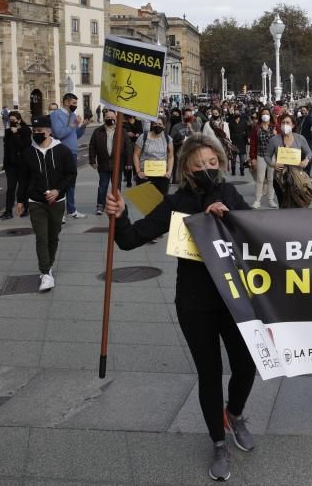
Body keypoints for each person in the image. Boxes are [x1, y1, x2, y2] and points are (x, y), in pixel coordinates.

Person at [104, 135, 257, 481]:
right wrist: (121, 215)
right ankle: (218, 443)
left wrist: (229, 218)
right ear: (186, 166)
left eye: (213, 162)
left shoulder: (229, 193)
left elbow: (256, 231)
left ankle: (234, 413)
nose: (207, 168)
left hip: (234, 298)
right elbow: (129, 241)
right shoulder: (175, 203)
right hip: (194, 301)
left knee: (246, 366)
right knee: (209, 373)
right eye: (199, 164)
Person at [16, 115, 76, 292]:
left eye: (40, 131)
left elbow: (71, 175)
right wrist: (20, 200)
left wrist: (58, 191)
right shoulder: (28, 153)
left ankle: (47, 267)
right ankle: (45, 273)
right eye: (34, 131)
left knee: (53, 236)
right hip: (36, 202)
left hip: (57, 202)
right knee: (41, 237)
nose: (36, 134)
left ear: (49, 131)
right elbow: (23, 179)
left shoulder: (62, 151)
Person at [49, 92, 90, 219]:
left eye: (76, 104)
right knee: (60, 182)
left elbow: (75, 135)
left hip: (72, 152)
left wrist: (83, 126)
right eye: (73, 103)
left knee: (71, 182)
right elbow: (59, 133)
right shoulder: (56, 114)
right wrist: (73, 125)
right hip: (61, 152)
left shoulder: (72, 115)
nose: (75, 106)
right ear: (66, 102)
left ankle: (71, 210)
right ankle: (59, 212)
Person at [88, 109, 135, 215]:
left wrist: (129, 163)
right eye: (108, 117)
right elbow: (92, 146)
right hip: (103, 163)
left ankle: (115, 204)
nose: (110, 119)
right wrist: (92, 160)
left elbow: (128, 147)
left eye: (112, 118)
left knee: (116, 186)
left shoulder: (121, 131)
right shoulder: (98, 131)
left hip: (117, 164)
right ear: (104, 118)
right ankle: (100, 205)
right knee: (102, 186)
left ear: (116, 119)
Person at [265, 112, 312, 207]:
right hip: (280, 178)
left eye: (287, 122)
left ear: (293, 125)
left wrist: (306, 160)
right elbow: (267, 156)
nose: (285, 125)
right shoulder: (274, 140)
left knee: (298, 204)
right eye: (283, 122)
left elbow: (309, 152)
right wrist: (273, 164)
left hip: (297, 177)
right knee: (283, 204)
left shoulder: (300, 138)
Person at [0, 110, 32, 219]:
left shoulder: (26, 131)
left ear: (19, 120)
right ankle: (8, 211)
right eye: (10, 120)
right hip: (11, 165)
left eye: (14, 120)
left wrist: (15, 134)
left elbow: (24, 146)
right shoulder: (8, 131)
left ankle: (25, 209)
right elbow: (7, 148)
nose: (12, 122)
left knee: (23, 187)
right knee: (10, 188)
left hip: (22, 164)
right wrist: (5, 163)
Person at [134, 114, 174, 199]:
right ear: (152, 124)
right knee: (145, 203)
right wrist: (138, 171)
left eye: (160, 124)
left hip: (162, 177)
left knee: (160, 202)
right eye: (155, 123)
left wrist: (169, 172)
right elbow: (136, 155)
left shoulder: (168, 139)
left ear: (164, 126)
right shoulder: (143, 137)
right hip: (145, 176)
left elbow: (171, 157)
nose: (157, 126)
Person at [248, 106, 278, 209]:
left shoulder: (274, 127)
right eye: (263, 114)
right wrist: (252, 158)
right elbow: (253, 143)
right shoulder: (256, 127)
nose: (265, 116)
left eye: (267, 114)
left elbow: (280, 142)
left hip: (272, 156)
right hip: (260, 155)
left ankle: (271, 199)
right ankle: (257, 200)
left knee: (271, 179)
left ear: (270, 115)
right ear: (261, 115)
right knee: (260, 179)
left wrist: (276, 135)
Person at [228, 106, 249, 176]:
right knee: (233, 158)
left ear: (240, 113)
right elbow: (229, 131)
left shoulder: (244, 121)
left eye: (238, 112)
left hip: (242, 141)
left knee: (242, 158)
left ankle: (242, 170)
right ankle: (233, 170)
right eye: (235, 112)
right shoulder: (231, 121)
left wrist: (247, 138)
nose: (237, 113)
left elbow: (247, 131)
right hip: (233, 141)